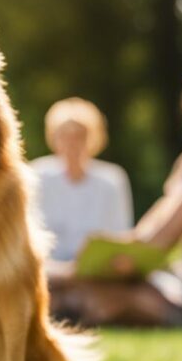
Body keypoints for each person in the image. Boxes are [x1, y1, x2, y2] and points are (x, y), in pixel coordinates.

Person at [51, 78, 182, 325]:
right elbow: (161, 216)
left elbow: (162, 237)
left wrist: (111, 260)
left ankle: (65, 299)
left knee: (105, 297)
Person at [31, 97, 133, 265]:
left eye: (79, 136)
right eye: (65, 136)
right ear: (54, 138)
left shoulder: (112, 179)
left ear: (93, 138)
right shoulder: (37, 175)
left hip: (97, 271)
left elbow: (121, 234)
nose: (72, 143)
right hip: (50, 271)